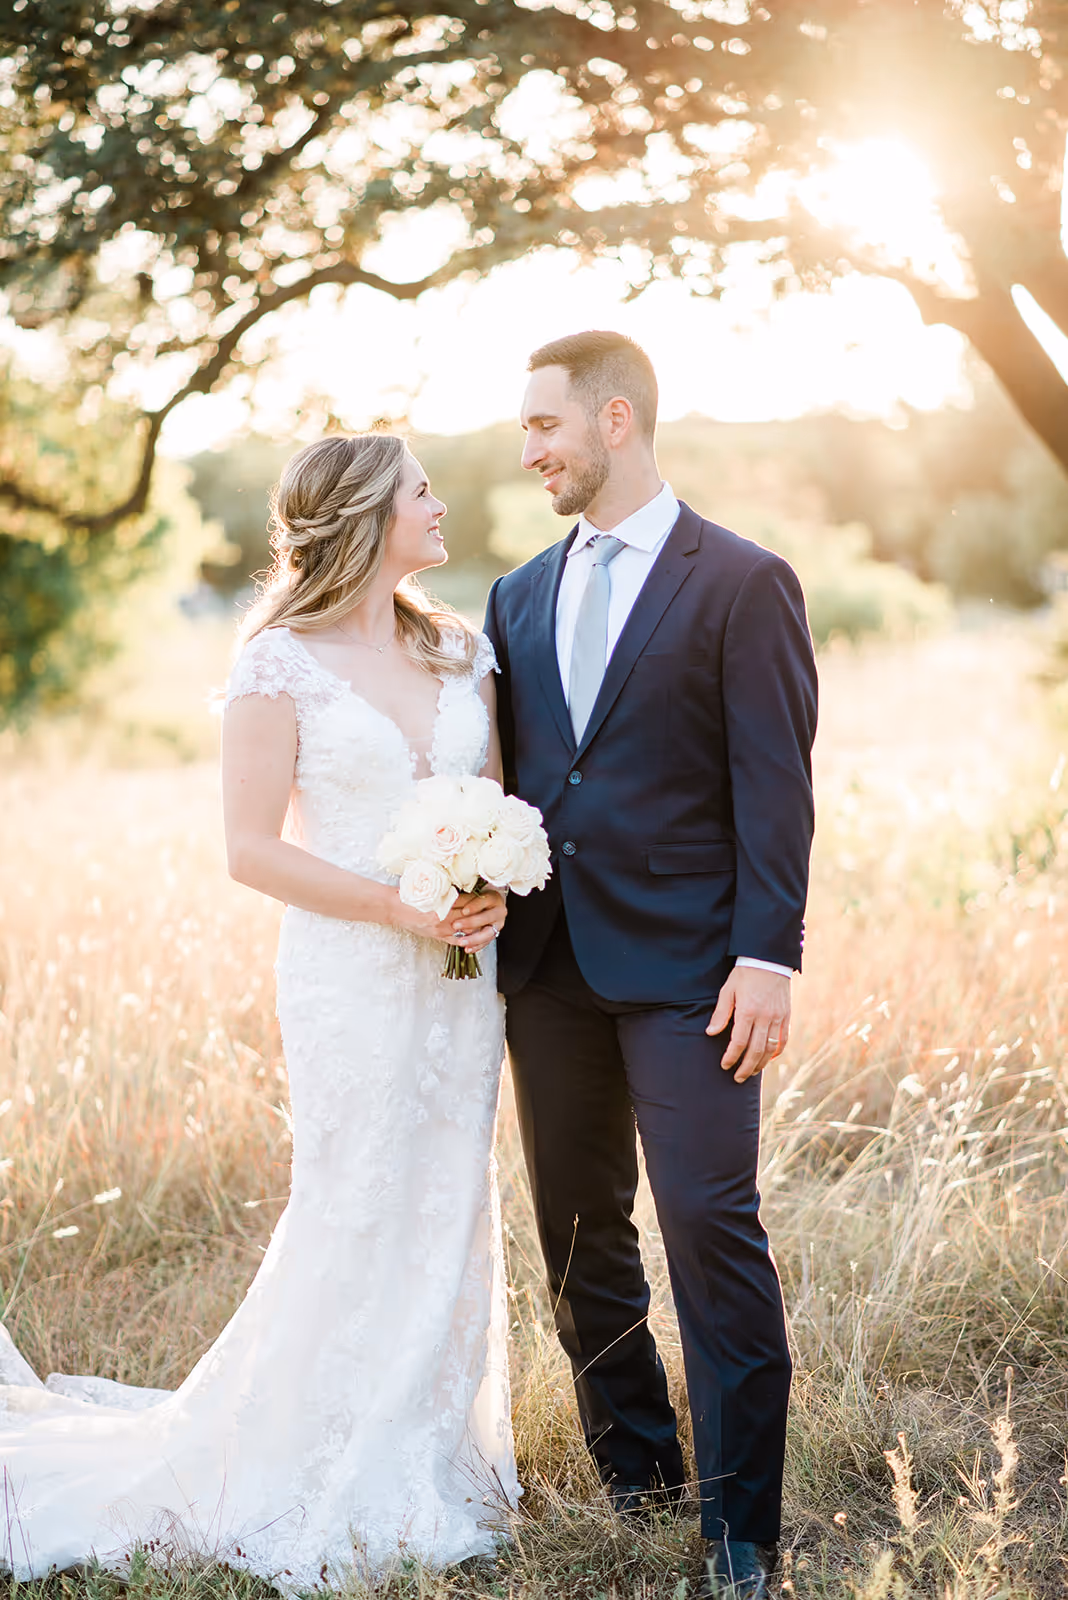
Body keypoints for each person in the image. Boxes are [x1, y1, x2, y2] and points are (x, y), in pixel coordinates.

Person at [0, 433, 518, 1588]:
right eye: (419, 491)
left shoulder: (461, 648)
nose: (440, 505)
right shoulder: (276, 664)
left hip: (459, 975)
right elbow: (247, 850)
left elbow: (492, 796)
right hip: (351, 969)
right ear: (367, 515)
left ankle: (435, 1447)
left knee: (448, 1191)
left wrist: (481, 882)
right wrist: (400, 908)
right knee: (357, 1191)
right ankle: (317, 1452)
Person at [484, 331, 818, 1599]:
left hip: (694, 972)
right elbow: (525, 774)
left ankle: (741, 1530)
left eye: (542, 427)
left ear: (614, 421)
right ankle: (640, 1478)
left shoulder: (741, 580)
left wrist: (764, 954)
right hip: (549, 967)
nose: (529, 453)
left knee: (710, 1232)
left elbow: (774, 786)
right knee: (578, 1235)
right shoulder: (516, 594)